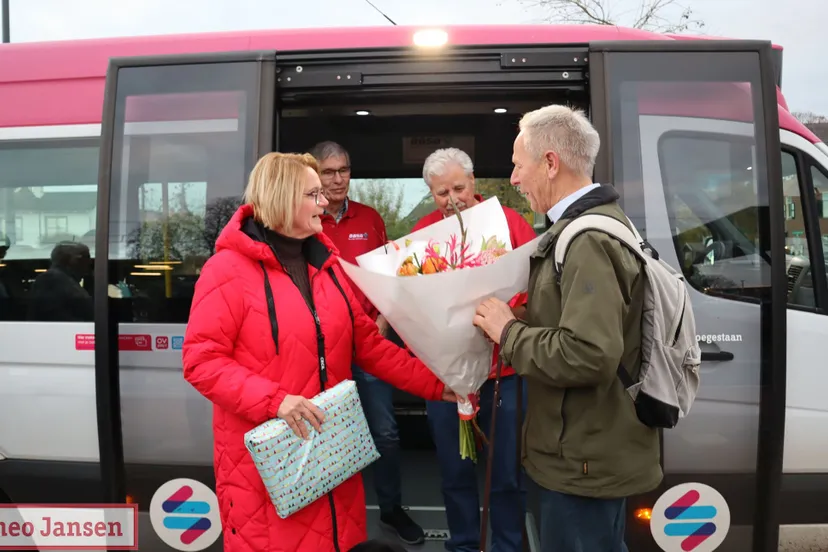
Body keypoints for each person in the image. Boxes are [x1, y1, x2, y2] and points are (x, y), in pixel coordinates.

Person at [182, 152, 458, 552]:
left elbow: (370, 346)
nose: (325, 201)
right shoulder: (226, 270)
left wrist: (439, 384)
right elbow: (201, 361)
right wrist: (276, 401)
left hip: (331, 459)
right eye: (313, 194)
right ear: (282, 198)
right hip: (269, 471)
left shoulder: (328, 265)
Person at [473, 105, 662, 552]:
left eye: (518, 165)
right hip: (587, 454)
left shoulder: (587, 240)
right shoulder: (591, 227)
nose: (514, 179)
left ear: (550, 163)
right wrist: (521, 320)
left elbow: (589, 354)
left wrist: (509, 332)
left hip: (583, 463)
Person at [411, 147, 538, 552]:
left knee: (507, 474)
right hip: (447, 377)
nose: (452, 200)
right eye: (441, 193)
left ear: (474, 181)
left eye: (459, 188)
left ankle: (507, 546)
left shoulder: (510, 222)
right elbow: (410, 302)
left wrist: (507, 317)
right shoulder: (423, 233)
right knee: (455, 471)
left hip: (505, 373)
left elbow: (539, 291)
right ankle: (464, 545)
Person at [309, 141, 426, 545]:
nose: (337, 179)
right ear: (314, 174)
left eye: (343, 170)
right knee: (331, 436)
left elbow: (386, 279)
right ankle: (337, 521)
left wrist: (381, 322)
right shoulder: (304, 219)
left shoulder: (370, 218)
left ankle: (391, 511)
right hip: (324, 349)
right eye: (328, 172)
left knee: (385, 433)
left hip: (369, 343)